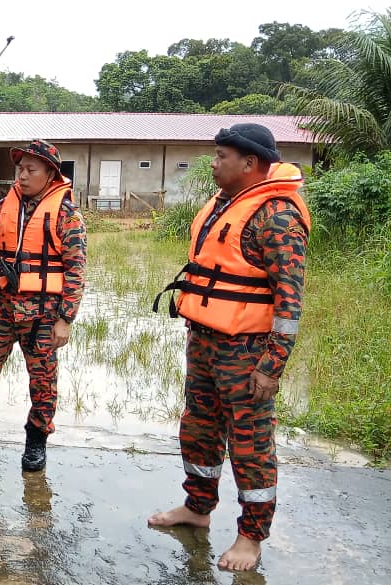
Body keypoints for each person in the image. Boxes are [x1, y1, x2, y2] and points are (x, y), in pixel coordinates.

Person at [148, 123, 311, 572]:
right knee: (198, 428)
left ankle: (250, 538)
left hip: (248, 350)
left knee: (250, 444)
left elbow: (289, 302)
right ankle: (197, 509)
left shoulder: (276, 216)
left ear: (250, 163)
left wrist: (271, 366)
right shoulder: (224, 204)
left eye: (222, 156)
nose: (215, 163)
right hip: (205, 340)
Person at [0, 140, 86, 472]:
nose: (23, 176)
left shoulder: (66, 215)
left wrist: (65, 319)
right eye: (20, 169)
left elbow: (76, 270)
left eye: (31, 170)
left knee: (43, 381)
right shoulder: (4, 207)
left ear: (50, 173)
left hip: (42, 315)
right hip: (0, 308)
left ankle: (36, 442)